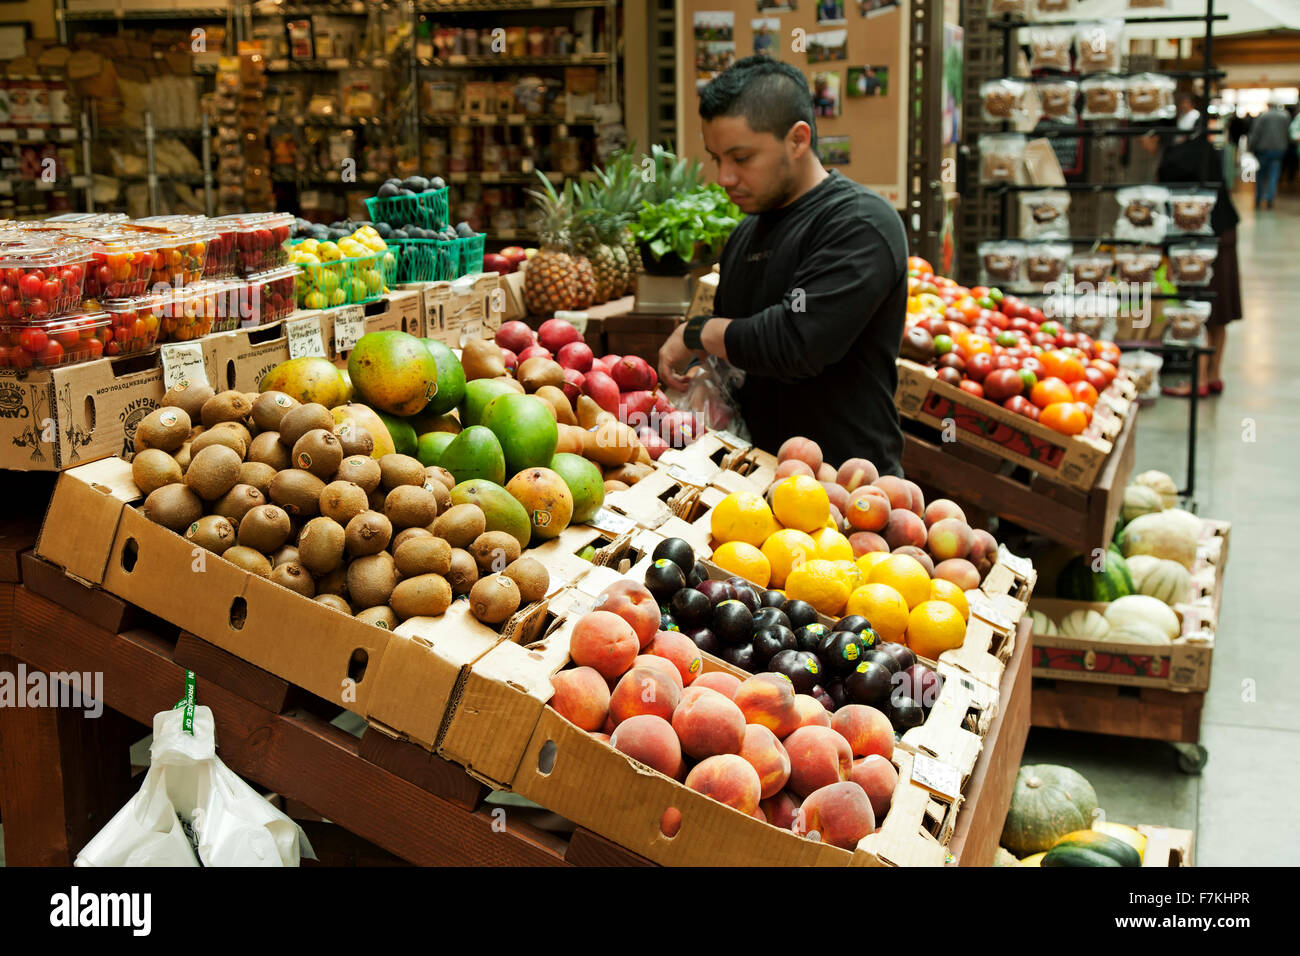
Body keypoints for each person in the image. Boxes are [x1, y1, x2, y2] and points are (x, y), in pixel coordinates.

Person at [657, 56, 908, 475]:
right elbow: (738, 354)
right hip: (753, 487)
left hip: (848, 492)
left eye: (741, 158)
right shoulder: (745, 234)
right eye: (716, 158)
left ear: (797, 139)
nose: (724, 177)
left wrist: (697, 332)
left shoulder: (860, 222)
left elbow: (797, 344)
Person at [1142, 129, 1241, 398]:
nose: (1143, 145)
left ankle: (1198, 382)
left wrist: (1166, 254)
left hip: (1196, 244)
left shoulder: (1171, 161)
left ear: (1156, 137)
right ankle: (1214, 375)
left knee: (1194, 308)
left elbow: (1172, 215)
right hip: (1225, 230)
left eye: (1145, 139)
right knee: (1219, 308)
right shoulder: (1200, 149)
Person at [1247, 100, 1291, 210]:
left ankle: (1258, 199)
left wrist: (1251, 147)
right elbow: (1288, 133)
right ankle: (1270, 199)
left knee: (1261, 176)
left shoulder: (1263, 116)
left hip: (1263, 149)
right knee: (1273, 176)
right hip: (1278, 149)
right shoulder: (1284, 116)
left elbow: (1256, 133)